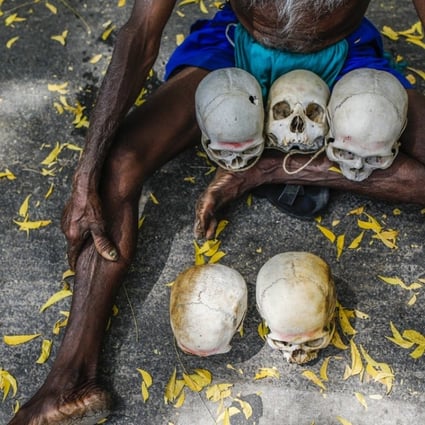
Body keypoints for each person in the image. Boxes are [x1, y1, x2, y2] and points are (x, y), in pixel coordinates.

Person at [8, 0, 425, 423]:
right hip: (234, 47)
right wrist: (85, 175)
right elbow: (141, 34)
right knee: (116, 166)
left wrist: (264, 171)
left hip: (345, 53)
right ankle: (71, 377)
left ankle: (266, 168)